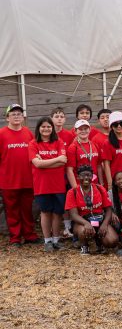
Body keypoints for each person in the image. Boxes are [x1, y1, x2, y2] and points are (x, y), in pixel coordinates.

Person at [0, 103, 38, 246]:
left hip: (27, 179)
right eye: (13, 114)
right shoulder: (1, 134)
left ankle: (29, 235)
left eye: (19, 114)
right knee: (12, 211)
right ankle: (15, 237)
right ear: (7, 118)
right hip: (8, 181)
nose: (16, 116)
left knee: (27, 209)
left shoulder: (28, 133)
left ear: (23, 117)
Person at [29, 117, 68, 251]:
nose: (46, 129)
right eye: (43, 126)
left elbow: (63, 162)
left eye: (49, 127)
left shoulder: (59, 142)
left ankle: (56, 240)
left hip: (58, 184)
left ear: (52, 128)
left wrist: (44, 162)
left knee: (57, 213)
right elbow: (37, 164)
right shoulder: (33, 144)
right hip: (42, 185)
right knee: (45, 212)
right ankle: (47, 241)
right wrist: (56, 159)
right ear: (38, 128)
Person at [65, 165, 118, 254]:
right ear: (78, 177)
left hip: (99, 219)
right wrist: (86, 223)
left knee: (112, 241)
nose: (86, 178)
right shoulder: (72, 192)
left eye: (89, 175)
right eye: (83, 175)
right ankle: (84, 245)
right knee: (83, 231)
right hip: (82, 221)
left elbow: (108, 210)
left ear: (92, 176)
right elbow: (73, 215)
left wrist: (104, 224)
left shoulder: (99, 188)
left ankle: (99, 241)